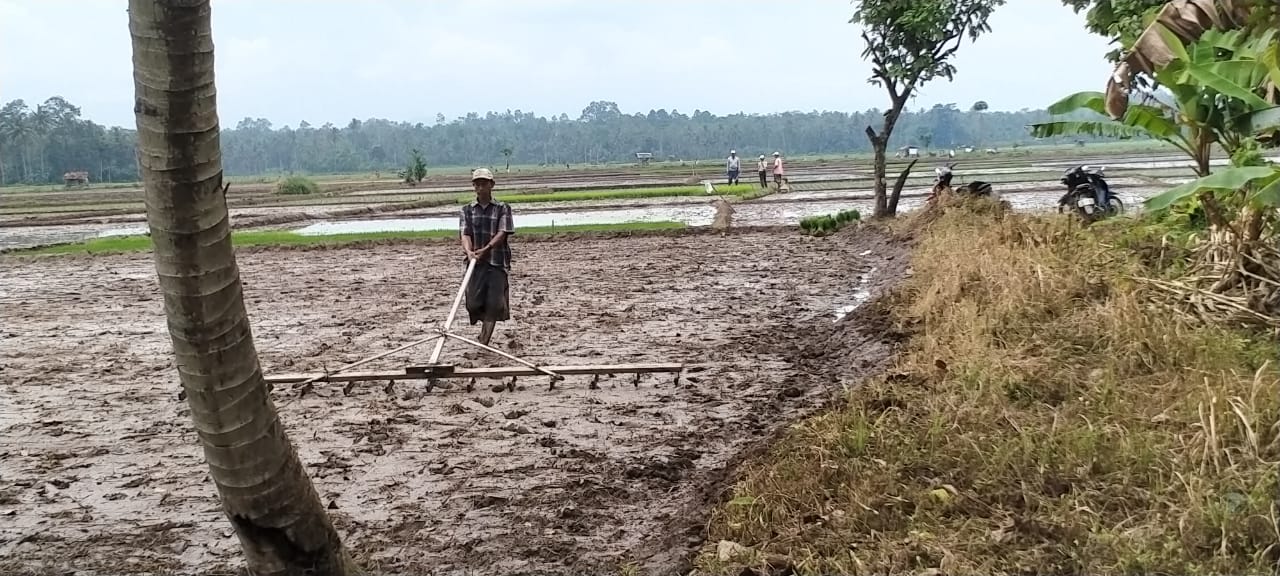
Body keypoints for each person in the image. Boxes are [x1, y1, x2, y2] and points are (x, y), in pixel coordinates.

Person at [459, 168, 515, 345]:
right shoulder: (467, 210)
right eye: (477, 184)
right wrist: (469, 252)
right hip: (475, 263)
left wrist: (487, 248)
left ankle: (484, 341)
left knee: (494, 304)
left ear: (492, 185)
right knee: (473, 303)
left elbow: (503, 233)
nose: (481, 188)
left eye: (484, 184)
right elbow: (465, 234)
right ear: (474, 187)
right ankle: (485, 329)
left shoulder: (502, 208)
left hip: (497, 261)